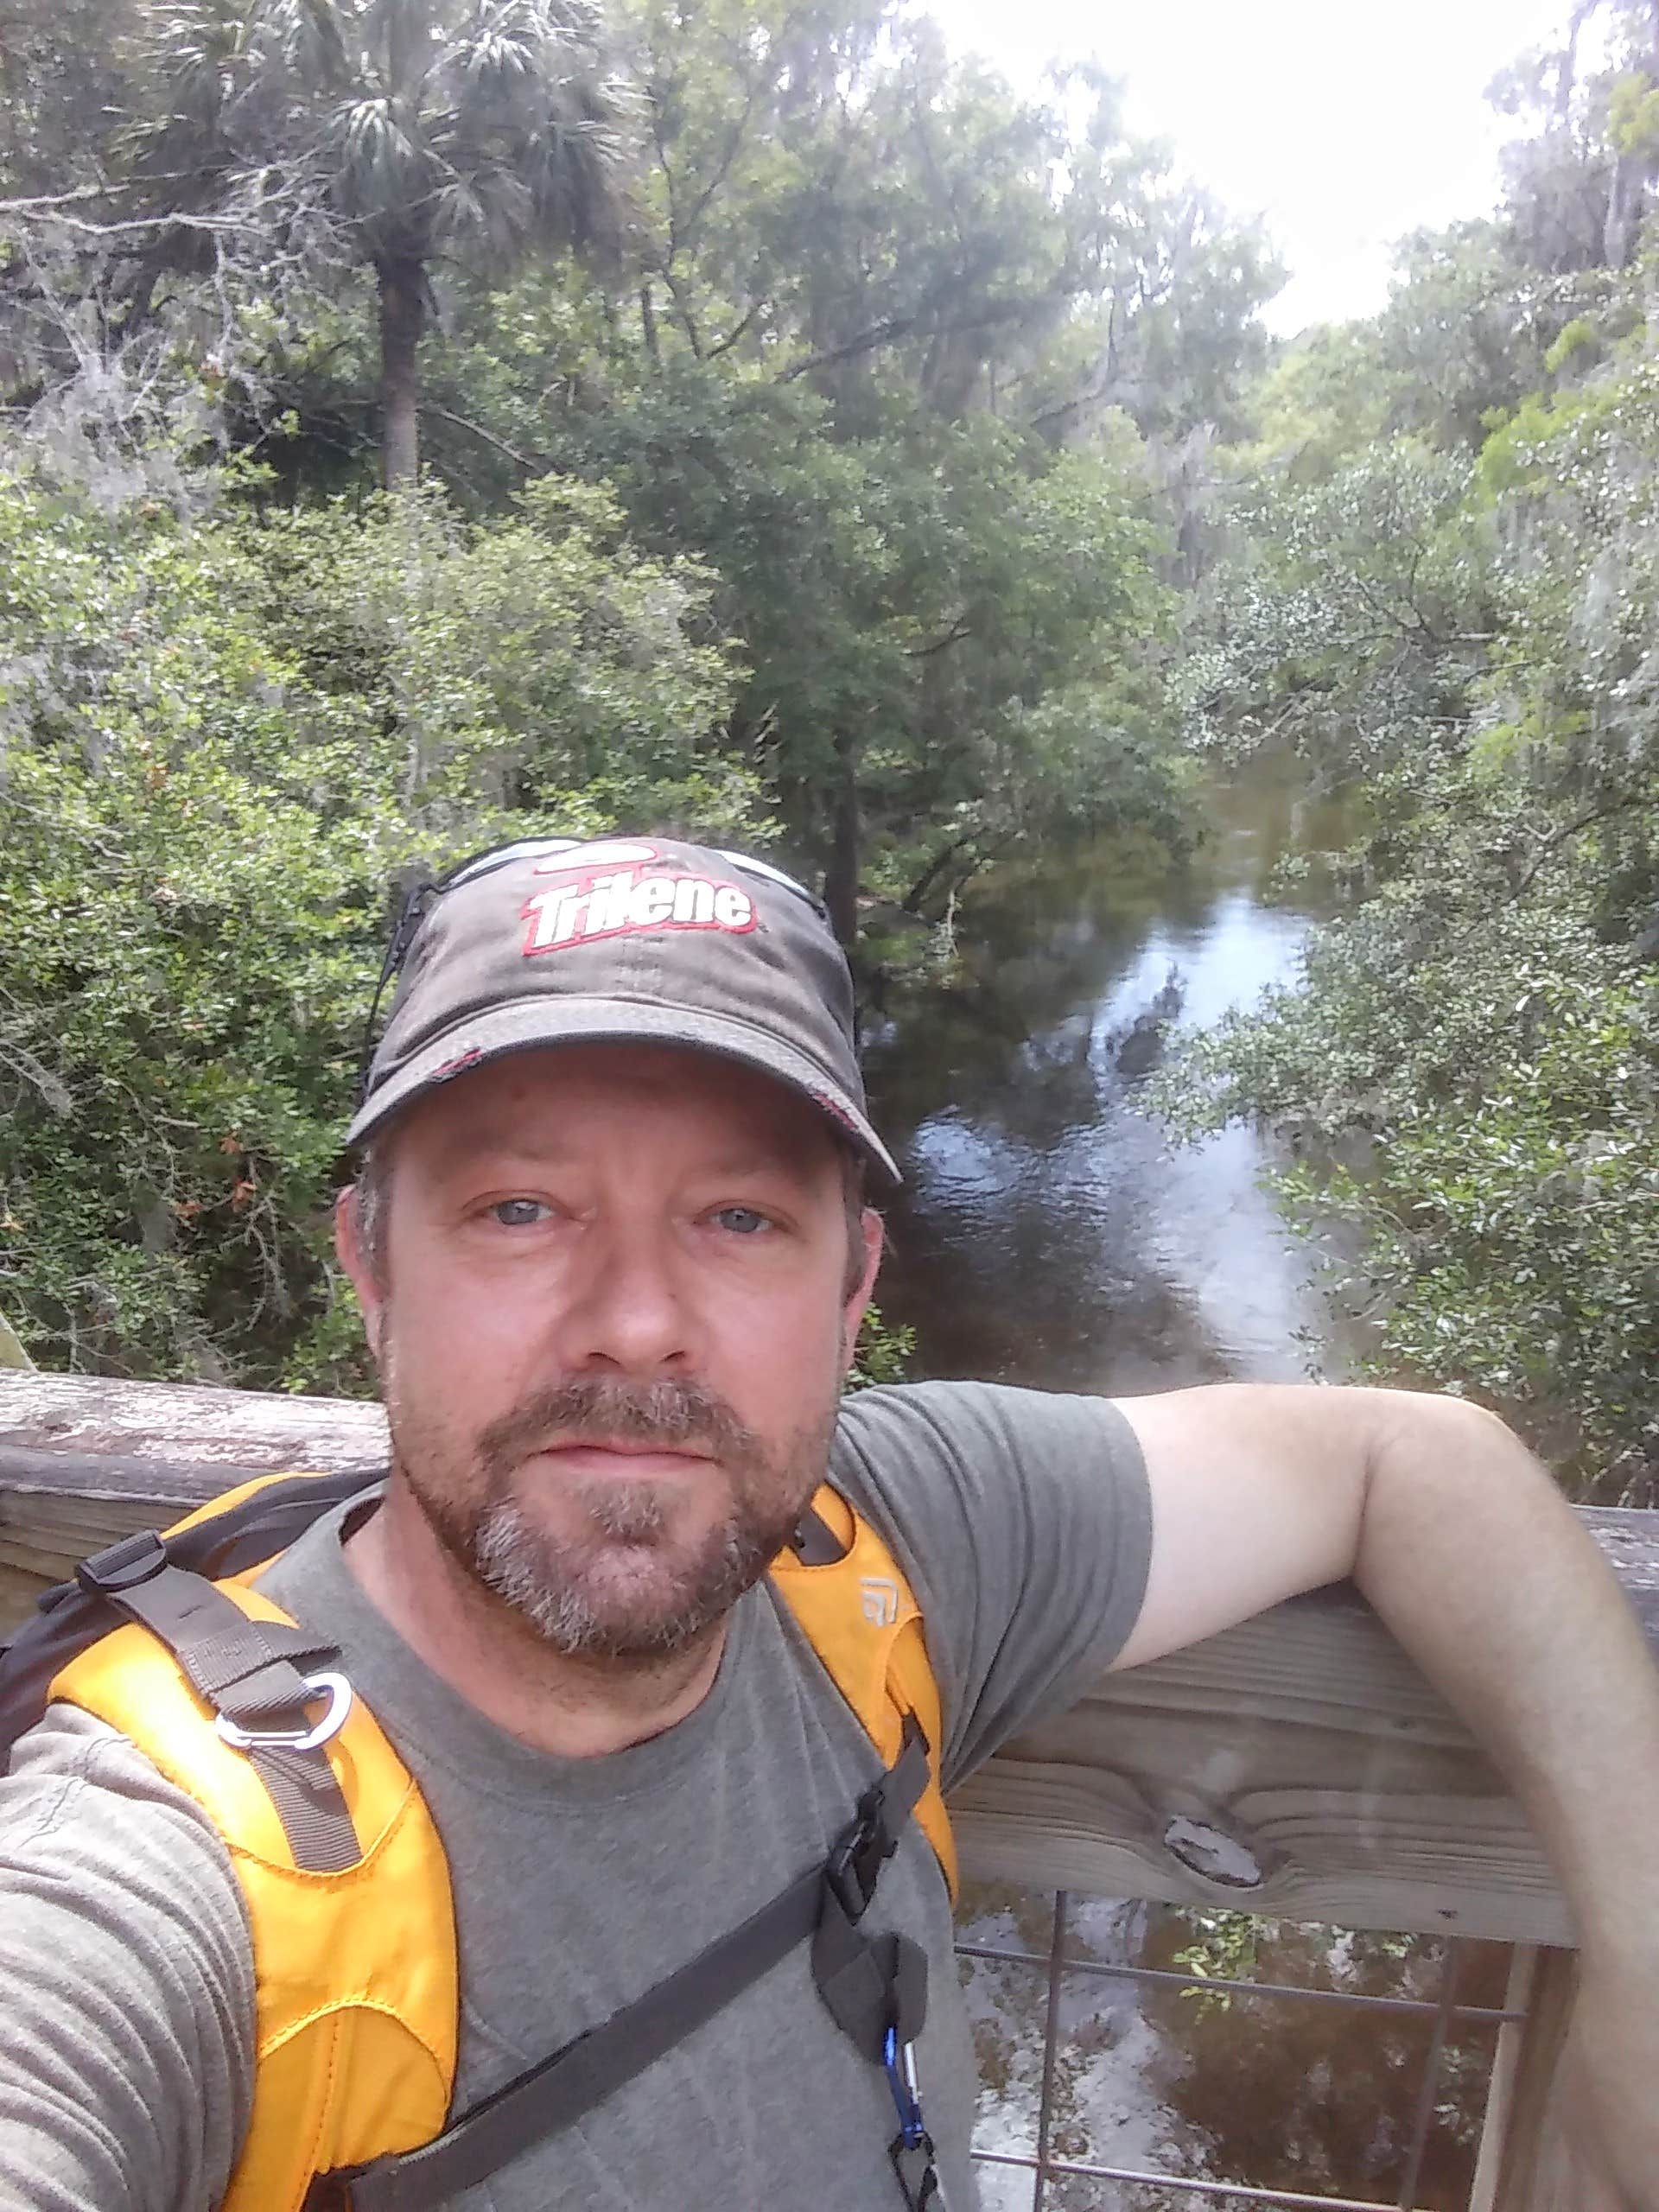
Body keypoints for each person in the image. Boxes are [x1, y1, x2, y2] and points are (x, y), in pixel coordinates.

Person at [1, 830, 1656, 2212]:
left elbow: (1404, 1462)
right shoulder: (168, 1881)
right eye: (519, 1210)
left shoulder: (884, 1559)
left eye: (737, 1217)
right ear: (371, 1266)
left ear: (855, 1287)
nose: (636, 1320)